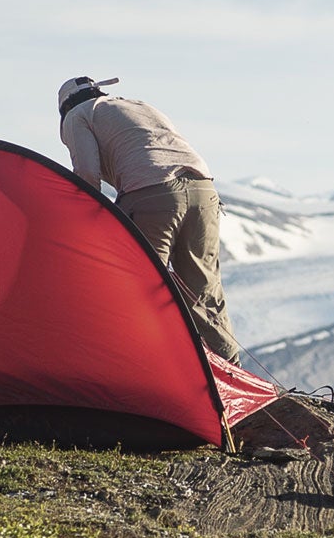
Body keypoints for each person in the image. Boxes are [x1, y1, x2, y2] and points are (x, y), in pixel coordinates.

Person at [57, 76, 241, 363]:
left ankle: (142, 372)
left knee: (139, 289)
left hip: (151, 193)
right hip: (204, 190)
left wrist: (81, 221)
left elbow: (88, 175)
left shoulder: (77, 115)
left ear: (65, 106)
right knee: (204, 293)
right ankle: (233, 377)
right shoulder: (138, 105)